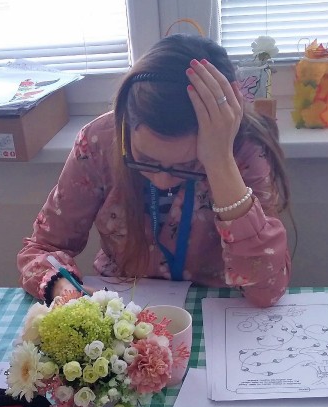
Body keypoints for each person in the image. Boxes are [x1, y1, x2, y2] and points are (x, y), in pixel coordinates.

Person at [17, 34, 291, 308]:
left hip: (216, 307)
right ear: (126, 123)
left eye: (187, 166)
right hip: (123, 305)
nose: (162, 180)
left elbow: (267, 290)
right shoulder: (99, 141)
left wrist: (220, 163)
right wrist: (63, 290)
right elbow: (42, 248)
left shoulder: (244, 150)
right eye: (146, 160)